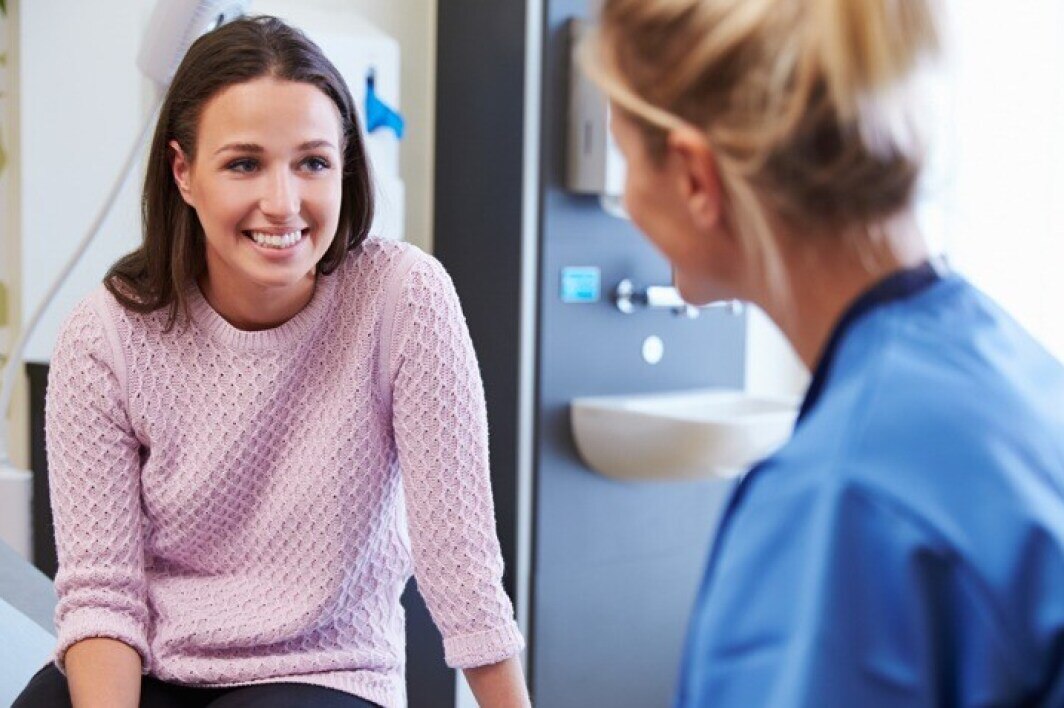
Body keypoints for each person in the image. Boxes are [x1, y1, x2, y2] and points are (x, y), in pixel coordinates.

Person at [14, 16, 529, 708]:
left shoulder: (403, 299)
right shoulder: (106, 335)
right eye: (244, 163)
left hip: (323, 668)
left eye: (312, 162)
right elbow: (102, 594)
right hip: (156, 665)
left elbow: (459, 563)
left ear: (344, 165)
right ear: (183, 172)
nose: (283, 203)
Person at [583, 0, 1064, 705]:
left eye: (625, 157)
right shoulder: (1014, 368)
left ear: (693, 177)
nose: (626, 196)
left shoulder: (843, 500)